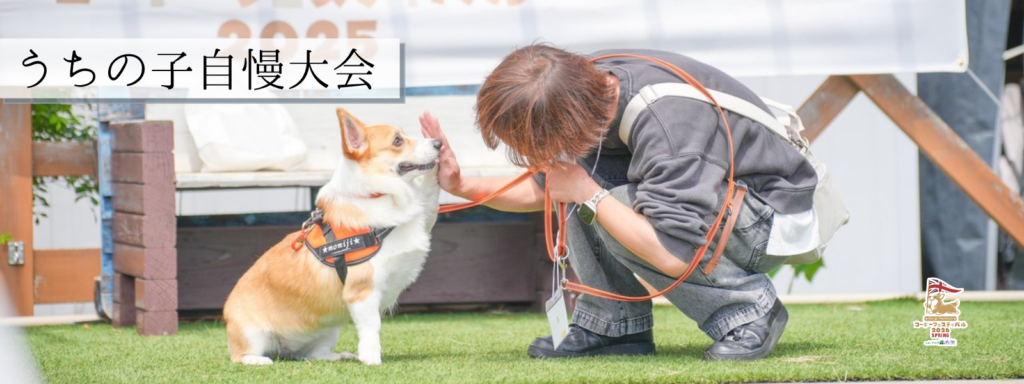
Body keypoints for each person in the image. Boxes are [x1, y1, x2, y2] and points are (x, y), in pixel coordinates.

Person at [419, 44, 818, 361]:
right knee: (593, 194)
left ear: (562, 123)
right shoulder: (584, 90)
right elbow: (548, 188)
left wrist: (586, 192)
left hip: (765, 219)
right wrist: (462, 185)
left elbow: (672, 252)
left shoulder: (669, 122)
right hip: (716, 207)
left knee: (604, 199)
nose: (529, 153)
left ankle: (749, 310)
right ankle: (613, 327)